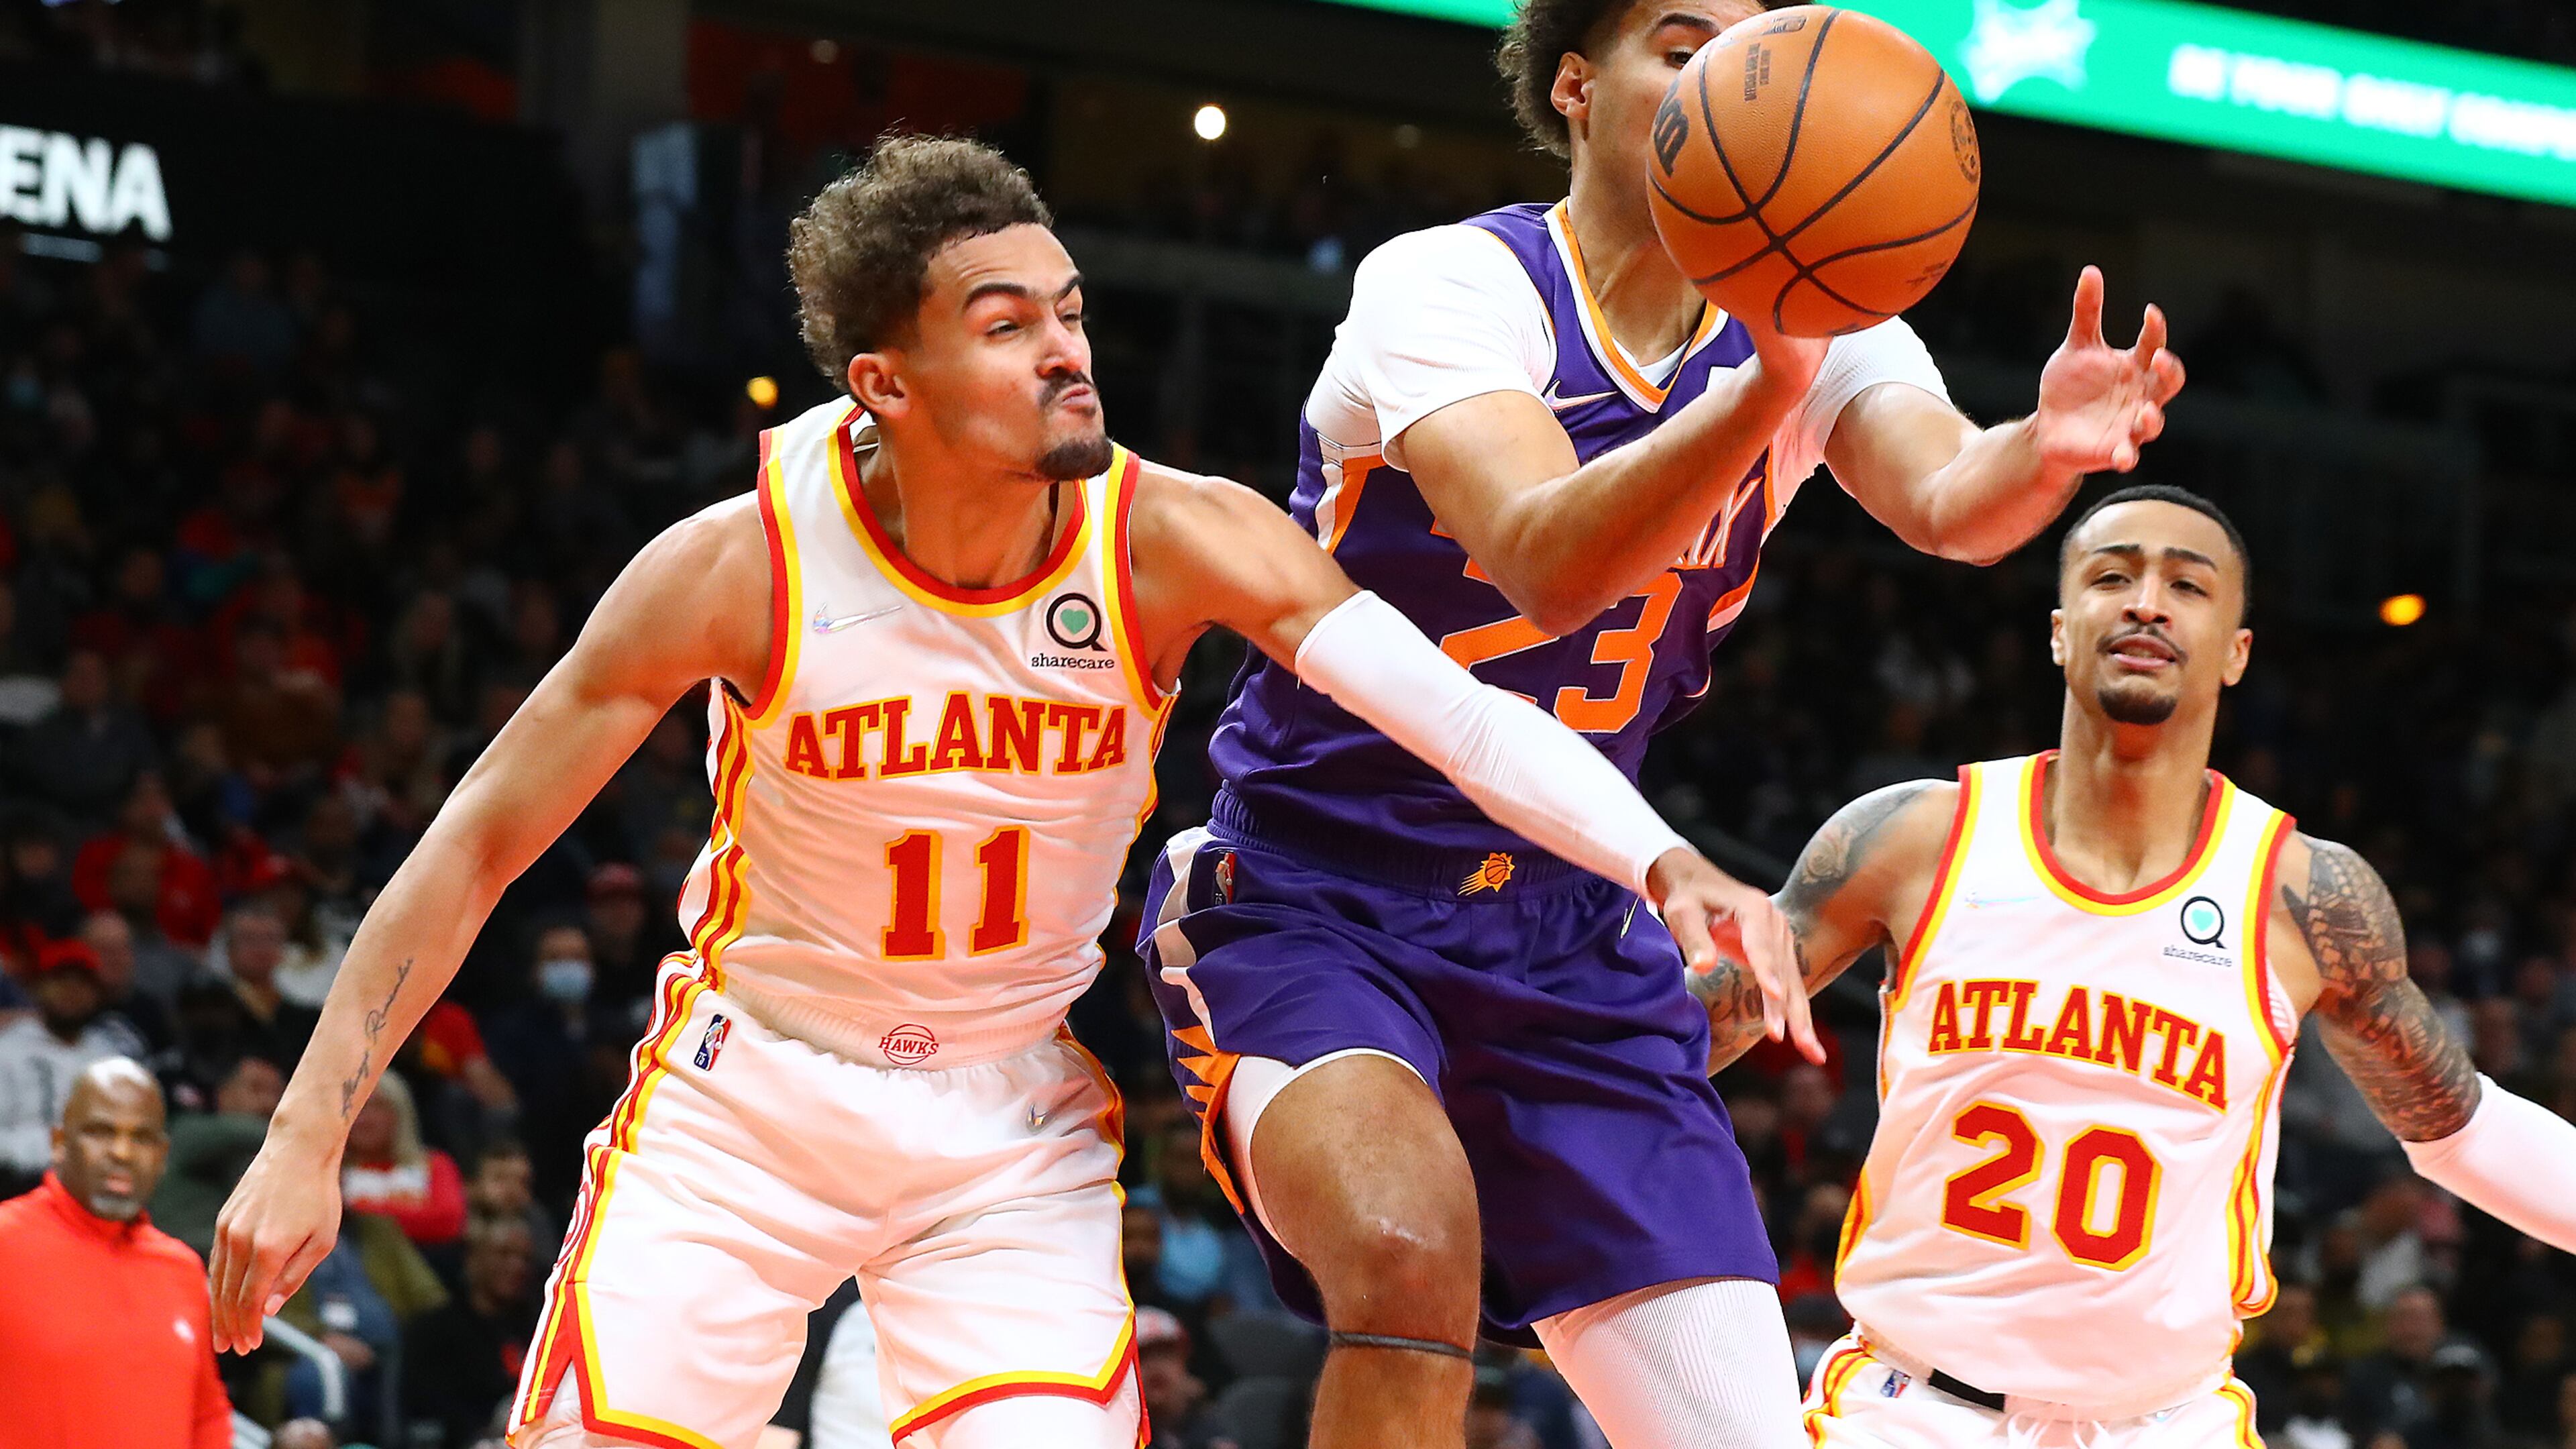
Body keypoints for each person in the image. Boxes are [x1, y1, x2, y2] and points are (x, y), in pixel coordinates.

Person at [209, 135, 1796, 1449]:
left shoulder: (1172, 538)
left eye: (1071, 310)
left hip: (1003, 1120)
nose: (1066, 351)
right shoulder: (739, 564)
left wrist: (1665, 864)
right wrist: (302, 1134)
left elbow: (1459, 717)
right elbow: (477, 843)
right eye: (1005, 323)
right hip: (752, 1101)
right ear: (886, 382)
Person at [1136, 3, 2185, 1446]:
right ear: (1576, 85)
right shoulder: (1453, 283)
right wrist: (1763, 398)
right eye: (1687, 47)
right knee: (1407, 1256)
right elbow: (1543, 560)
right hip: (1319, 893)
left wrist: (2044, 452)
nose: (1730, 83)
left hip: (1573, 926)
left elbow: (1952, 503)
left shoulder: (1823, 330)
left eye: (1759, 49)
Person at [1739, 487, 2576, 1444]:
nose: (2146, 602)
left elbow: (2459, 1129)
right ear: (2060, 632)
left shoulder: (2305, 896)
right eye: (2113, 576)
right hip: (1910, 1411)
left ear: (2237, 651)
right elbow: (1677, 1041)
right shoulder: (1914, 839)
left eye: (2187, 584)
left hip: (2166, 1424)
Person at [0, 1058, 231, 1448]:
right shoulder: (6, 1242)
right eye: (100, 1132)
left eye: (141, 1138)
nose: (122, 1153)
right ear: (59, 1142)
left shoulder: (183, 1269)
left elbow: (206, 1415)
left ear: (162, 1155)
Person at [0, 938, 149, 1189]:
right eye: (60, 981)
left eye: (82, 983)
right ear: (38, 987)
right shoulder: (9, 1049)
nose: (72, 991)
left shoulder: (108, 1055)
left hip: (93, 1183)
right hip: (20, 1181)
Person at [407, 1214, 544, 1448]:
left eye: (524, 1258)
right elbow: (429, 1407)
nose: (517, 1266)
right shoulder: (434, 1330)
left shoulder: (538, 1328)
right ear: (473, 1258)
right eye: (504, 1254)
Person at [341, 1069, 468, 1247]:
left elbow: (449, 1221)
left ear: (400, 1112)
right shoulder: (330, 1174)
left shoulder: (434, 1164)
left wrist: (358, 1214)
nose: (364, 1119)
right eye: (356, 1107)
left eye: (377, 1107)